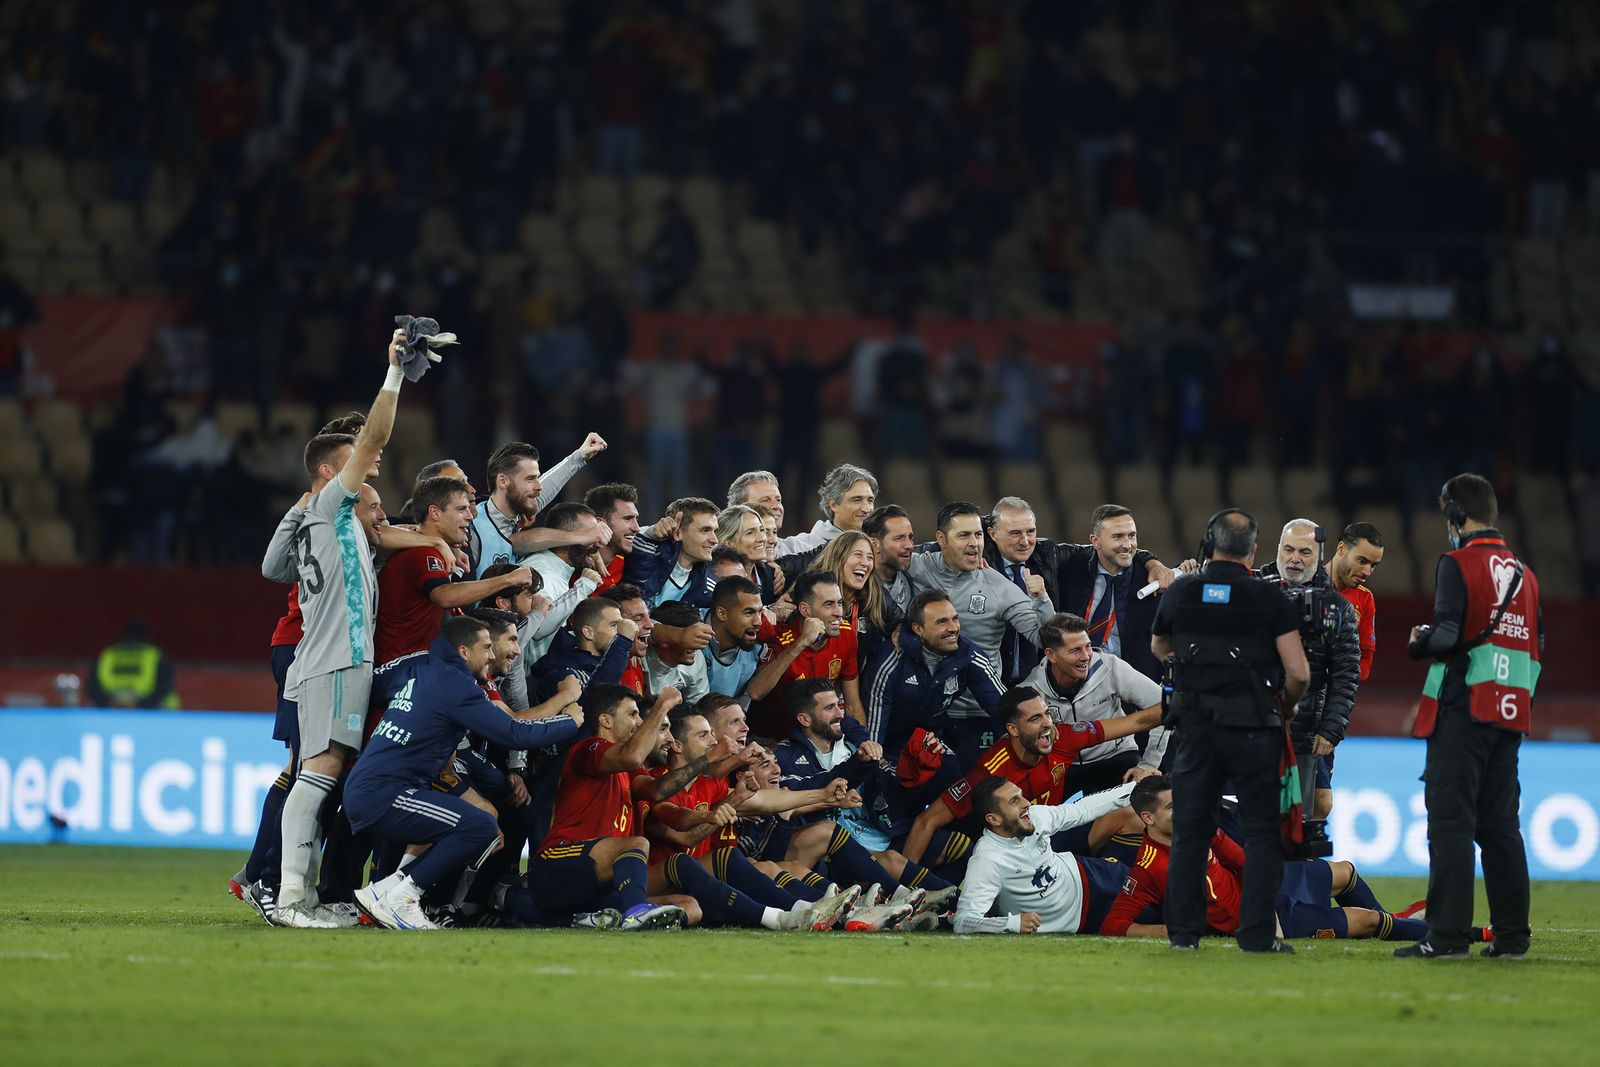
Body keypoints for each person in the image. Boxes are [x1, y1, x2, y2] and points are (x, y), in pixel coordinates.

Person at [268, 328, 408, 928]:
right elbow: (377, 434)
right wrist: (394, 374)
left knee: (321, 775)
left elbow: (272, 568)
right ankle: (291, 900)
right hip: (333, 658)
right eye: (358, 456)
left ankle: (300, 895)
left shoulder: (315, 515)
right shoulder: (330, 506)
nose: (373, 458)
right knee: (318, 774)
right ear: (333, 469)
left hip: (328, 657)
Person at [346, 616, 585, 930]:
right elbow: (514, 733)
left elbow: (377, 687)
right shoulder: (455, 685)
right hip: (385, 792)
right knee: (480, 826)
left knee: (467, 820)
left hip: (381, 787)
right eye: (485, 647)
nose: (490, 655)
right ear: (463, 651)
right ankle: (403, 899)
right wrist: (569, 721)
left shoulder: (423, 670)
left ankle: (385, 891)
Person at [1398, 474, 1542, 960]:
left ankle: (1446, 937)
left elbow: (1445, 636)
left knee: (1451, 824)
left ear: (1457, 515)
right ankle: (1512, 939)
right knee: (1501, 827)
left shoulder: (1458, 563)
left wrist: (1419, 642)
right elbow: (1535, 649)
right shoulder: (1526, 573)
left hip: (1463, 711)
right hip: (1509, 712)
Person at [1151, 508, 1308, 953]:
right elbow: (1298, 672)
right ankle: (1258, 937)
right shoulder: (1270, 598)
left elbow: (1159, 646)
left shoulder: (1182, 590)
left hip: (1197, 727)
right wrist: (1287, 705)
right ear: (1254, 550)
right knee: (1261, 833)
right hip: (1255, 727)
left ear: (1209, 542)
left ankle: (1183, 936)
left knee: (1190, 831)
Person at [1101, 775, 1463, 944]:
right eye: (1174, 806)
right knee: (1368, 921)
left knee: (1346, 872)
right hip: (1261, 919)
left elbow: (1243, 861)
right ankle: (1467, 933)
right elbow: (1114, 925)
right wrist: (1166, 931)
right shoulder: (1148, 868)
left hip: (1266, 891)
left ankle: (1400, 923)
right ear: (1148, 819)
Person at [902, 685, 1158, 868]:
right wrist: (904, 884)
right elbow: (926, 821)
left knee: (1133, 816)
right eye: (1035, 718)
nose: (1047, 723)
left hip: (1055, 836)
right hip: (1016, 856)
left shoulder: (1063, 738)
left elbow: (1136, 722)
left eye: (1047, 713)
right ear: (1013, 729)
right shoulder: (992, 770)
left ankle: (1125, 885)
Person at [908, 502, 1054, 763]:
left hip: (976, 715)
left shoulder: (1000, 587)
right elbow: (878, 552)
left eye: (977, 535)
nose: (974, 543)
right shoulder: (919, 567)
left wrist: (1041, 599)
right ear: (940, 539)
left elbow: (1044, 638)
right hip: (924, 713)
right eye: (964, 535)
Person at [1257, 518, 1360, 820]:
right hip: (1248, 728)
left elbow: (1346, 674)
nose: (1294, 558)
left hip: (1301, 735)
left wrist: (1331, 729)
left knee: (1292, 822)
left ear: (1319, 556)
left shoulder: (1337, 607)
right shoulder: (1252, 590)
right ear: (1277, 549)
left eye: (1304, 552)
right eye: (1288, 549)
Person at [374, 476, 533, 666]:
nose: (470, 516)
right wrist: (508, 580)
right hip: (405, 671)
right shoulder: (422, 553)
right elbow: (445, 596)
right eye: (461, 509)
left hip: (415, 667)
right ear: (435, 513)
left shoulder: (430, 550)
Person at [951, 775, 1138, 934]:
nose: (1026, 804)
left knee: (1158, 887)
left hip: (1092, 872)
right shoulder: (987, 860)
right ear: (994, 819)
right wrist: (1011, 923)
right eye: (1014, 801)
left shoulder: (1036, 816)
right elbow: (963, 921)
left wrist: (1137, 787)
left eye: (1021, 796)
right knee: (1154, 918)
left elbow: (1081, 809)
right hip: (1084, 915)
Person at [1022, 612, 1168, 795]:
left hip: (1117, 758)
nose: (1086, 656)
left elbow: (1166, 706)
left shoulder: (1111, 667)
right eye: (1075, 650)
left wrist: (1149, 764)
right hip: (1064, 766)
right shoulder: (1032, 689)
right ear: (1051, 655)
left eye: (1088, 646)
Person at [862, 590, 1003, 762]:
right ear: (918, 629)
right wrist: (878, 761)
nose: (953, 628)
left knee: (957, 779)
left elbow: (1005, 708)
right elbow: (873, 734)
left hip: (933, 744)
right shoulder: (890, 661)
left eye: (955, 618)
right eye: (941, 622)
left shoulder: (969, 656)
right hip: (890, 749)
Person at [1053, 504, 1176, 683]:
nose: (1127, 545)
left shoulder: (1153, 580)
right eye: (1117, 537)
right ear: (1096, 541)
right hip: (1075, 679)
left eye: (1132, 536)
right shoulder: (1069, 570)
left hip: (1134, 683)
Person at [468, 435, 611, 576]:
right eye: (530, 479)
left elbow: (547, 487)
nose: (539, 486)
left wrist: (579, 457)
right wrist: (582, 536)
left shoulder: (517, 514)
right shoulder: (472, 531)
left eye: (537, 477)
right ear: (503, 481)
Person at [1319, 520, 1384, 820]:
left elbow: (1366, 661)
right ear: (1341, 549)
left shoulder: (1364, 600)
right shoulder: (1306, 582)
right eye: (1362, 561)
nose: (1367, 571)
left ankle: (1304, 866)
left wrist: (1340, 670)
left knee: (1320, 805)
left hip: (1326, 712)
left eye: (1373, 565)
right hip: (1293, 710)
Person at [753, 570, 864, 735]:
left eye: (839, 603)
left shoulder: (846, 635)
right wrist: (802, 643)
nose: (838, 612)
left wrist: (862, 744)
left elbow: (852, 705)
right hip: (777, 740)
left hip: (819, 736)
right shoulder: (781, 639)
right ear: (805, 610)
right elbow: (755, 692)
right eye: (828, 604)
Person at [703, 575, 819, 707]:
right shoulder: (690, 632)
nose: (758, 622)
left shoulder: (760, 644)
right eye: (749, 613)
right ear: (722, 614)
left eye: (759, 612)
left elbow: (751, 697)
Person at [519, 502, 607, 662]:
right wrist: (582, 587)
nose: (598, 542)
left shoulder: (559, 569)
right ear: (564, 536)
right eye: (591, 534)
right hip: (528, 681)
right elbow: (537, 628)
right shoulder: (541, 571)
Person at [812, 530, 896, 668]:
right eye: (858, 555)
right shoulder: (811, 590)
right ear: (838, 557)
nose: (865, 563)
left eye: (870, 558)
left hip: (855, 681)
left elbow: (904, 622)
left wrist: (900, 630)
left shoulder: (875, 597)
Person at [530, 596, 636, 702]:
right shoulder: (564, 673)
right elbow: (597, 702)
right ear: (589, 633)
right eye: (614, 625)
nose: (621, 631)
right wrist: (622, 643)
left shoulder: (605, 664)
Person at [623, 496, 720, 608]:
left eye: (715, 531)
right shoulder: (647, 555)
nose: (715, 540)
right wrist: (651, 531)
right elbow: (626, 539)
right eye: (705, 530)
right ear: (678, 533)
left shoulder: (707, 589)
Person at [89, 618, 177, 709]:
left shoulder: (108, 654)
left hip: (111, 710)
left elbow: (92, 687)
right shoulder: (155, 655)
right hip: (148, 713)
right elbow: (165, 687)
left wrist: (109, 702)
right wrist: (139, 704)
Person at [583, 482, 642, 592]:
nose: (637, 528)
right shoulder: (572, 561)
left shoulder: (628, 560)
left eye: (636, 519)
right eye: (628, 519)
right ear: (600, 523)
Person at [862, 504, 915, 620]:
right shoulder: (857, 586)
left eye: (910, 537)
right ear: (874, 544)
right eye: (899, 538)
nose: (909, 546)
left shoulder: (913, 574)